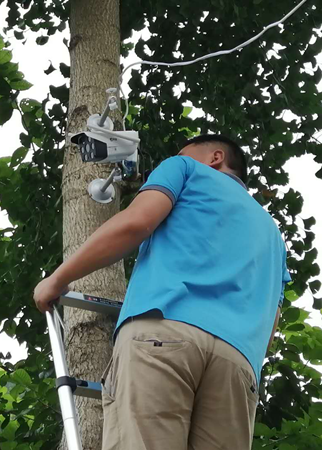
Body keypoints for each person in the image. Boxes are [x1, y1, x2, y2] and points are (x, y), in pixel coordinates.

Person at [34, 134, 290, 450]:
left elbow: (136, 223)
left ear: (215, 157)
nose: (179, 155)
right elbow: (270, 326)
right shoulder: (274, 237)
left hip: (163, 331)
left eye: (186, 151)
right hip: (238, 364)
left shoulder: (184, 168)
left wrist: (58, 279)